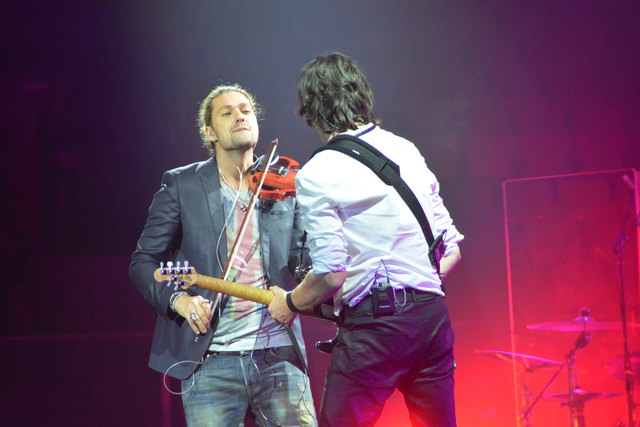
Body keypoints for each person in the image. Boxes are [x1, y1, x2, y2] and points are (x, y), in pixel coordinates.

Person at [268, 52, 464, 426]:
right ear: (362, 95)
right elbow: (450, 249)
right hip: (432, 318)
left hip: (378, 326)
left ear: (310, 111)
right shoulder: (405, 148)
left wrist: (290, 302)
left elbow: (330, 275)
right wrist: (414, 283)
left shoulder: (318, 171)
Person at [129, 84, 316, 426]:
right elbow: (143, 262)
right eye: (227, 113)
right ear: (210, 133)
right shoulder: (182, 184)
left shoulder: (283, 184)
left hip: (279, 353)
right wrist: (178, 301)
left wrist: (299, 296)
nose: (240, 116)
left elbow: (303, 260)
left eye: (246, 110)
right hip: (210, 359)